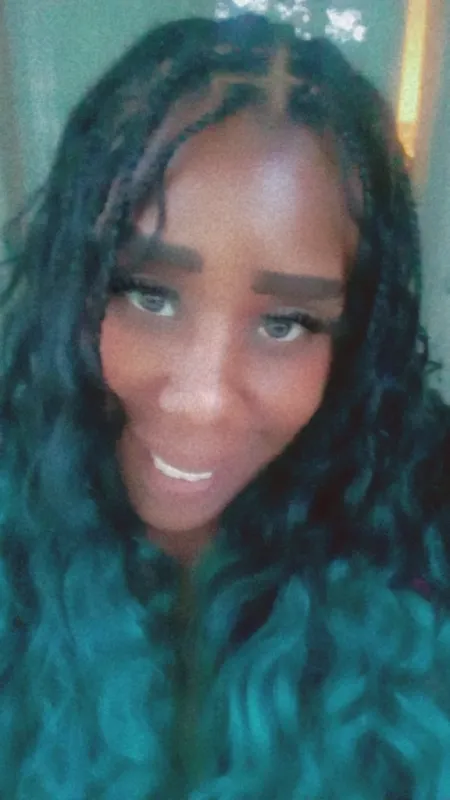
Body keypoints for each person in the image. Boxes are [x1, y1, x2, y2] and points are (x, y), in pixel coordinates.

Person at [1, 12, 450, 799]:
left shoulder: (423, 542)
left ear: (352, 344)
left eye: (286, 323)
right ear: (74, 283)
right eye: (148, 293)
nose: (203, 400)